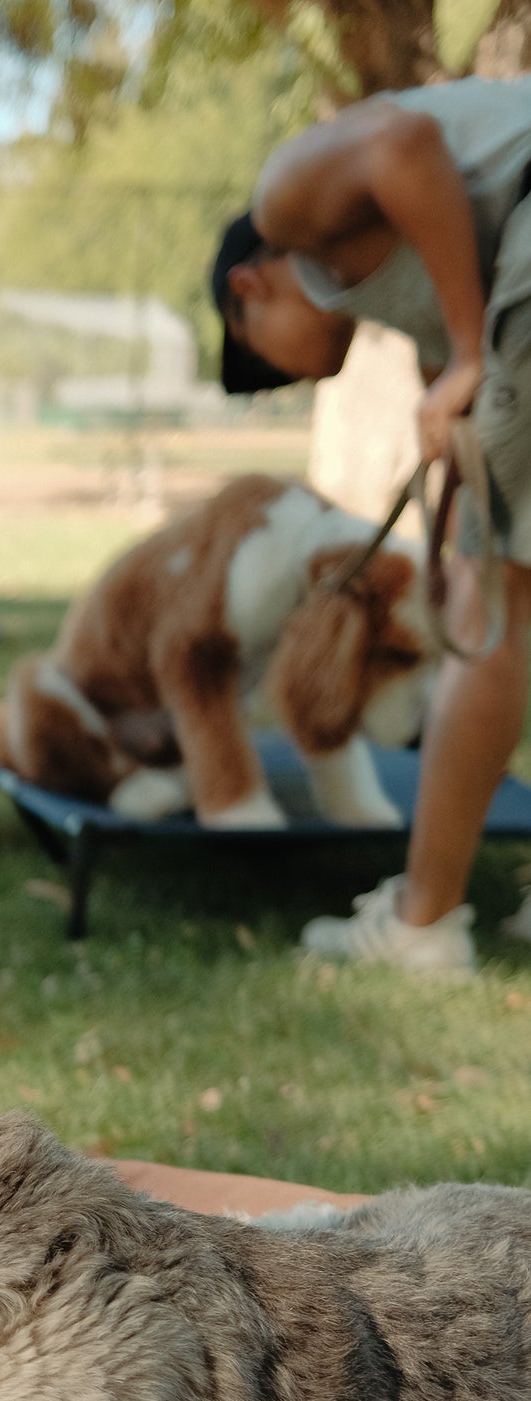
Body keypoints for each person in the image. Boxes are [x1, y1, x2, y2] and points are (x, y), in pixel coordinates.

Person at [212, 76, 531, 975]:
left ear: (250, 287)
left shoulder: (285, 196)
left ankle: (422, 922)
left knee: (489, 608)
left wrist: (469, 352)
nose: (301, 377)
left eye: (267, 361)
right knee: (493, 583)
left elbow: (402, 146)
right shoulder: (421, 262)